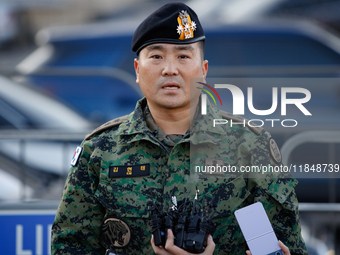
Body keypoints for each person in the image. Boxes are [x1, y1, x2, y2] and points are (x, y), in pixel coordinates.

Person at [51, 2, 308, 255]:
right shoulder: (99, 150)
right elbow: (69, 246)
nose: (170, 69)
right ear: (138, 70)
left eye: (183, 56)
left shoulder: (250, 147)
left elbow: (284, 245)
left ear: (203, 71)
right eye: (156, 56)